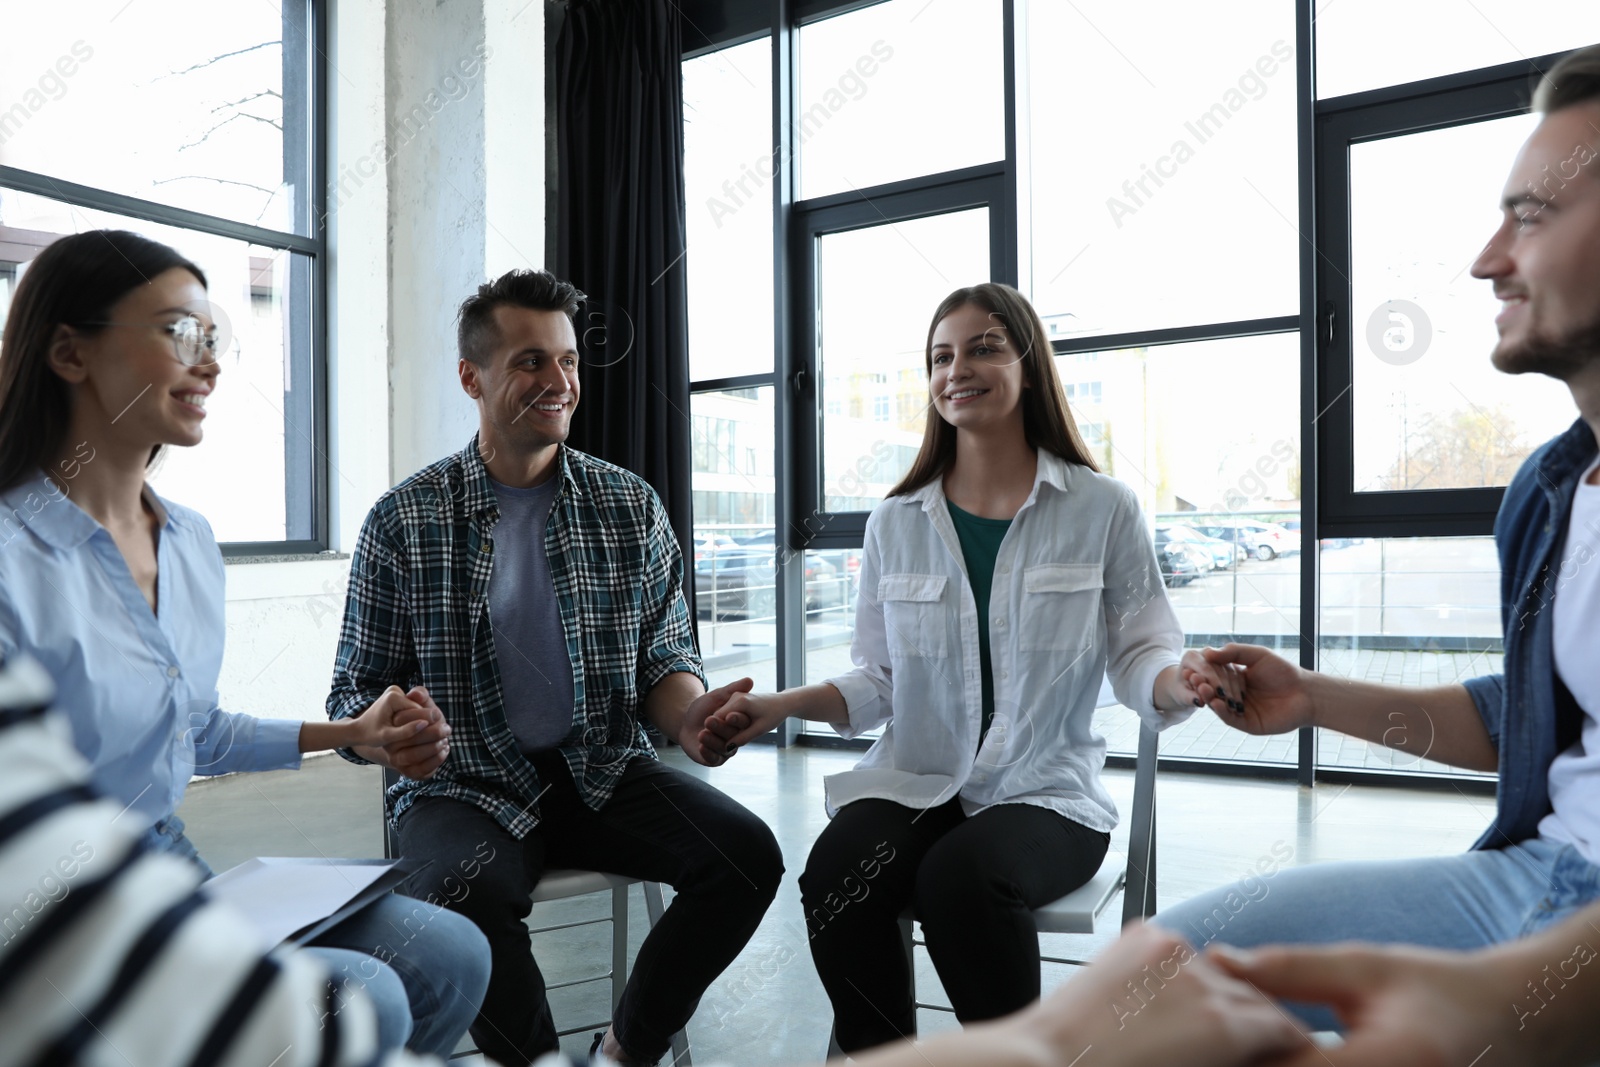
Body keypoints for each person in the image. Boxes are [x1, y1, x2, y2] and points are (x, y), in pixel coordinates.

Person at [1153, 43, 1600, 1032]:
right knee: (1166, 973)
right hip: (1542, 871)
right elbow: (1522, 718)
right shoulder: (1550, 492)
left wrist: (1489, 1007)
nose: (1488, 259)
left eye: (1529, 215)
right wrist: (1312, 696)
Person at [0, 230, 490, 1058]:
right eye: (176, 332)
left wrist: (354, 734)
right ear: (68, 352)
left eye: (212, 335)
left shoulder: (188, 540)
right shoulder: (14, 555)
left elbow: (196, 731)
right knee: (357, 997)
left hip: (162, 859)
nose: (210, 362)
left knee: (449, 955)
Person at [710, 282, 1214, 1054]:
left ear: (1029, 365)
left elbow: (1141, 649)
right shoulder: (896, 520)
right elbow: (878, 680)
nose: (958, 369)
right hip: (920, 776)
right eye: (941, 356)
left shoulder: (1102, 506)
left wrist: (1181, 681)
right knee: (839, 869)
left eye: (983, 347)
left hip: (1046, 791)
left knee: (961, 880)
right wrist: (779, 705)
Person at [327, 268, 784, 1066]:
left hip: (599, 767)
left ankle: (623, 1049)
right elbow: (353, 693)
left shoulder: (628, 506)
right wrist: (382, 734)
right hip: (462, 782)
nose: (560, 381)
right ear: (472, 376)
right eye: (531, 361)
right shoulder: (404, 519)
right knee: (458, 893)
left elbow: (664, 659)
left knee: (747, 855)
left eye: (568, 361)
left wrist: (689, 716)